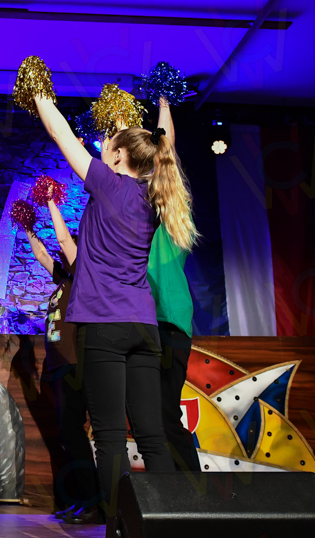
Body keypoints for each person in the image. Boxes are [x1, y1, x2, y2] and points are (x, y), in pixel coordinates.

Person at [30, 90, 198, 522]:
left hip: (103, 325)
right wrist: (158, 115)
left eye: (109, 143)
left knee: (108, 436)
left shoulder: (108, 183)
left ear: (119, 155)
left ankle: (121, 524)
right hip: (143, 327)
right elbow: (164, 149)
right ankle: (164, 523)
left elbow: (60, 134)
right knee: (152, 434)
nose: (102, 145)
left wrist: (39, 93)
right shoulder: (155, 195)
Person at [23, 192, 98, 524]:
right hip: (58, 366)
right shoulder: (64, 279)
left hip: (75, 364)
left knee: (73, 433)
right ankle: (83, 499)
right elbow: (41, 253)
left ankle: (94, 502)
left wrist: (51, 202)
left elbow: (65, 240)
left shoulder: (85, 275)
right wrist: (27, 227)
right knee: (68, 435)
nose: (65, 252)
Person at [147, 97, 201, 475]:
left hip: (167, 322)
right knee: (154, 417)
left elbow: (166, 156)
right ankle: (168, 492)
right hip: (153, 322)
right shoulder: (145, 216)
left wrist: (164, 106)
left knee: (165, 414)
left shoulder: (167, 218)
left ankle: (194, 494)